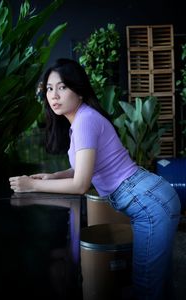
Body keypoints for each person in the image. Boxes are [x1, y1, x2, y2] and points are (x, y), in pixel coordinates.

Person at [9, 58, 181, 300]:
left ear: (78, 90)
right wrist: (53, 176)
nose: (54, 95)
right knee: (157, 285)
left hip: (151, 203)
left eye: (62, 87)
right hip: (149, 198)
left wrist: (32, 185)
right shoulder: (80, 121)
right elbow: (81, 171)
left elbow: (80, 184)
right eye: (49, 88)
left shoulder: (85, 121)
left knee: (147, 286)